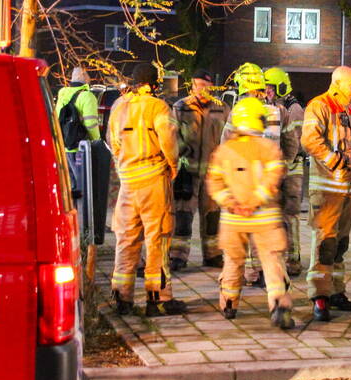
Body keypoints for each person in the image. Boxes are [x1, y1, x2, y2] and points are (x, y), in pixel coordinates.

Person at [207, 97, 294, 329]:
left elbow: (215, 183)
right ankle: (279, 306)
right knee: (271, 260)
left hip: (233, 218)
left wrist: (233, 204)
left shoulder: (224, 150)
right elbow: (273, 179)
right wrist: (254, 202)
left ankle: (229, 303)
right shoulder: (269, 148)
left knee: (233, 262)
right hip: (264, 216)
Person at [107, 62, 186, 317]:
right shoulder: (158, 107)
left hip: (128, 182)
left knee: (126, 239)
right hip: (153, 180)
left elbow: (113, 142)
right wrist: (173, 166)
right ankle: (158, 298)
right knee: (157, 239)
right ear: (154, 83)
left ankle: (122, 298)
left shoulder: (119, 106)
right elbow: (169, 141)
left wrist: (125, 167)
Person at [301, 65, 351, 322]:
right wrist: (334, 161)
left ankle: (337, 291)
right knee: (325, 243)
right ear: (338, 83)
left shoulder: (349, 111)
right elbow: (309, 140)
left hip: (348, 190)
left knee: (340, 244)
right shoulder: (319, 106)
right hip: (327, 190)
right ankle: (320, 296)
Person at [223, 62, 297, 287]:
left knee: (239, 233)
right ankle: (269, 277)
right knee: (268, 232)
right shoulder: (279, 111)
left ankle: (242, 280)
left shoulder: (237, 113)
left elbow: (225, 147)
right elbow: (292, 144)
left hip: (242, 184)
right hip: (269, 184)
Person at [169, 69, 227, 271]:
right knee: (183, 216)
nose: (202, 90)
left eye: (206, 86)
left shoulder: (221, 108)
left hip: (213, 174)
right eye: (199, 85)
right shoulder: (180, 107)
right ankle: (177, 256)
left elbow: (229, 138)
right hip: (188, 172)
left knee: (212, 216)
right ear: (192, 86)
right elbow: (171, 137)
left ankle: (213, 255)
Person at [264, 66, 306, 277]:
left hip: (292, 169)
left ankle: (293, 260)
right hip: (278, 167)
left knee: (290, 214)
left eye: (270, 88)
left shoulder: (294, 109)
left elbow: (295, 143)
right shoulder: (273, 107)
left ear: (280, 87)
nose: (267, 92)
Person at [55, 67, 101, 198]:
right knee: (84, 187)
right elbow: (91, 124)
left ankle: (73, 213)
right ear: (86, 80)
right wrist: (96, 142)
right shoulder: (87, 96)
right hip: (80, 148)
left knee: (71, 188)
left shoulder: (62, 94)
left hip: (63, 147)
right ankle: (83, 215)